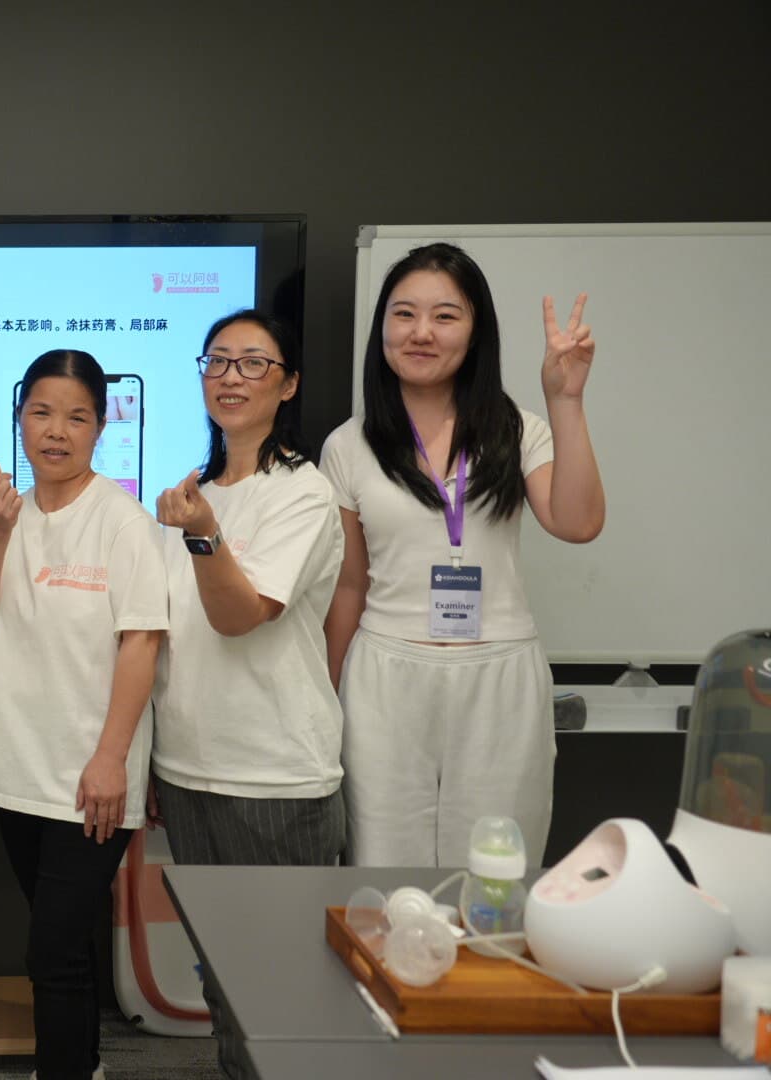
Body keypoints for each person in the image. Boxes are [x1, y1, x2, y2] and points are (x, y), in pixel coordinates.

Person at [320, 242, 604, 868]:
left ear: (476, 332)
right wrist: (330, 699)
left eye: (445, 316)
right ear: (383, 329)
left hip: (499, 669)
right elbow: (348, 585)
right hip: (384, 675)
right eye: (404, 314)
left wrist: (567, 402)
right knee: (383, 873)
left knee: (496, 872)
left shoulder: (517, 428)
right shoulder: (348, 445)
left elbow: (579, 522)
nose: (422, 332)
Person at [0, 349, 167, 1080]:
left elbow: (141, 644)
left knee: (48, 954)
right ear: (20, 418)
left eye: (76, 416)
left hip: (90, 778)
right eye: (41, 412)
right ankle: (87, 1065)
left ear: (100, 428)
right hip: (14, 768)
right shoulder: (0, 514)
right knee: (68, 947)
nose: (56, 431)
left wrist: (111, 758)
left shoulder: (124, 523)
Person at [149, 310, 344, 1078]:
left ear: (289, 383)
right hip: (192, 772)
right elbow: (170, 638)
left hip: (274, 777)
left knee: (284, 990)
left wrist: (203, 537)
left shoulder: (301, 492)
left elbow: (237, 618)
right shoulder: (193, 492)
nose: (231, 377)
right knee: (223, 985)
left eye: (253, 363)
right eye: (218, 361)